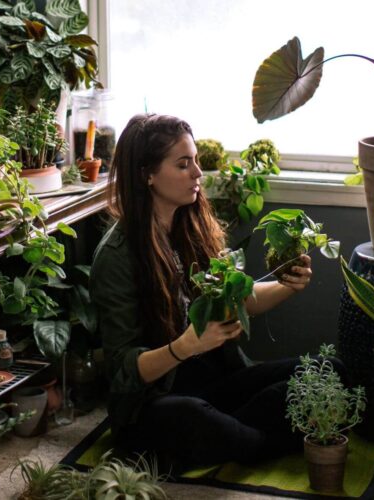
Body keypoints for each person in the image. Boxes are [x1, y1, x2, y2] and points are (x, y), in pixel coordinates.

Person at [89, 114, 330, 468]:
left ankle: (241, 440)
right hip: (159, 402)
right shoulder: (116, 257)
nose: (198, 173)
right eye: (184, 164)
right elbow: (124, 369)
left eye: (197, 161)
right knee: (190, 415)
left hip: (218, 385)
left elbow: (241, 301)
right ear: (148, 175)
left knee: (326, 371)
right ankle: (257, 442)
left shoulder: (192, 225)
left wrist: (286, 286)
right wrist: (184, 347)